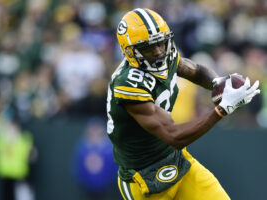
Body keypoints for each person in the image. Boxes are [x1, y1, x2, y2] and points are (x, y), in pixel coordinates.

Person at [106, 8, 260, 200]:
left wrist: (217, 84)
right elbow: (174, 135)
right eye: (148, 48)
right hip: (143, 177)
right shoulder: (128, 83)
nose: (158, 52)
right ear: (129, 51)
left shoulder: (165, 54)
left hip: (176, 160)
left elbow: (194, 70)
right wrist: (222, 109)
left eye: (161, 43)